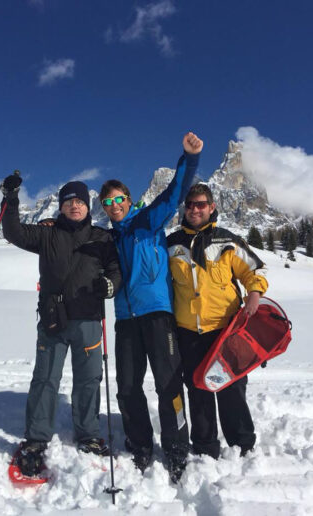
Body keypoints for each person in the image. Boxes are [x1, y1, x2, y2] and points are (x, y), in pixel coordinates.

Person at [0, 177, 122, 477]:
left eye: (79, 201)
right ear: (61, 206)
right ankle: (36, 438)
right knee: (45, 379)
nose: (74, 205)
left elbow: (116, 270)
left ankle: (89, 435)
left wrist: (111, 285)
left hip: (89, 319)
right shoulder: (47, 234)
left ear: (87, 204)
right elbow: (13, 232)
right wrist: (11, 198)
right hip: (54, 319)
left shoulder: (102, 238)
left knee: (89, 379)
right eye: (68, 201)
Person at [99, 132, 203, 483]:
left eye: (118, 199)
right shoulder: (107, 238)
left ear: (128, 200)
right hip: (125, 321)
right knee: (127, 387)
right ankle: (139, 445)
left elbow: (175, 192)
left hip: (158, 315)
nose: (113, 205)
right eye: (107, 202)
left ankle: (176, 449)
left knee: (169, 385)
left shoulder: (148, 221)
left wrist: (189, 158)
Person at [167, 182, 268, 459]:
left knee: (231, 387)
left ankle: (242, 444)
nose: (195, 209)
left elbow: (252, 271)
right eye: (190, 205)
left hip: (225, 331)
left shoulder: (228, 241)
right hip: (188, 331)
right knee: (198, 387)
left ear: (212, 207)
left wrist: (255, 294)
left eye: (201, 204)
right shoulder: (172, 244)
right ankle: (204, 447)